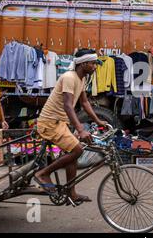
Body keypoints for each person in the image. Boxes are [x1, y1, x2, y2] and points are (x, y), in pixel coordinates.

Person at [34, 49, 108, 205]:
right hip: (49, 123)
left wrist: (98, 120)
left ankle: (71, 193)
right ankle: (43, 174)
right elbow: (68, 105)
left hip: (59, 123)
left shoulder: (80, 79)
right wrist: (80, 129)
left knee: (73, 151)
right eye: (93, 63)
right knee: (77, 150)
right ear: (84, 63)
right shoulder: (69, 77)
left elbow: (85, 103)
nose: (95, 66)